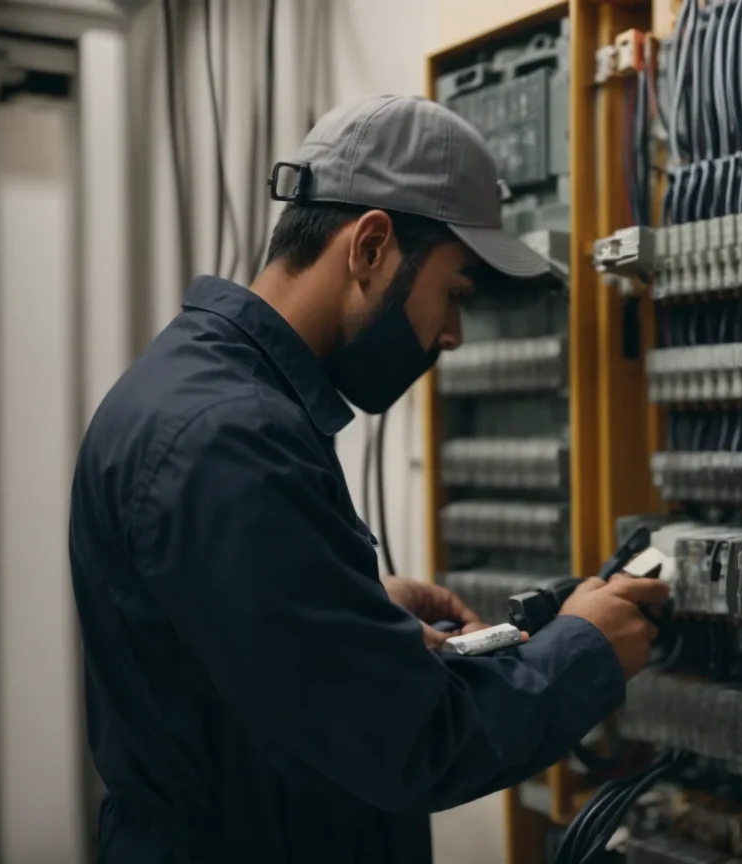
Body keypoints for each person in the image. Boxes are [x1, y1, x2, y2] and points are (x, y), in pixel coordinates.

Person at [69, 95, 668, 863]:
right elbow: (409, 741)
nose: (452, 334)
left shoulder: (198, 393)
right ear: (371, 247)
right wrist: (589, 648)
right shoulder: (228, 437)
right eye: (454, 293)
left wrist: (348, 607)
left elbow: (217, 648)